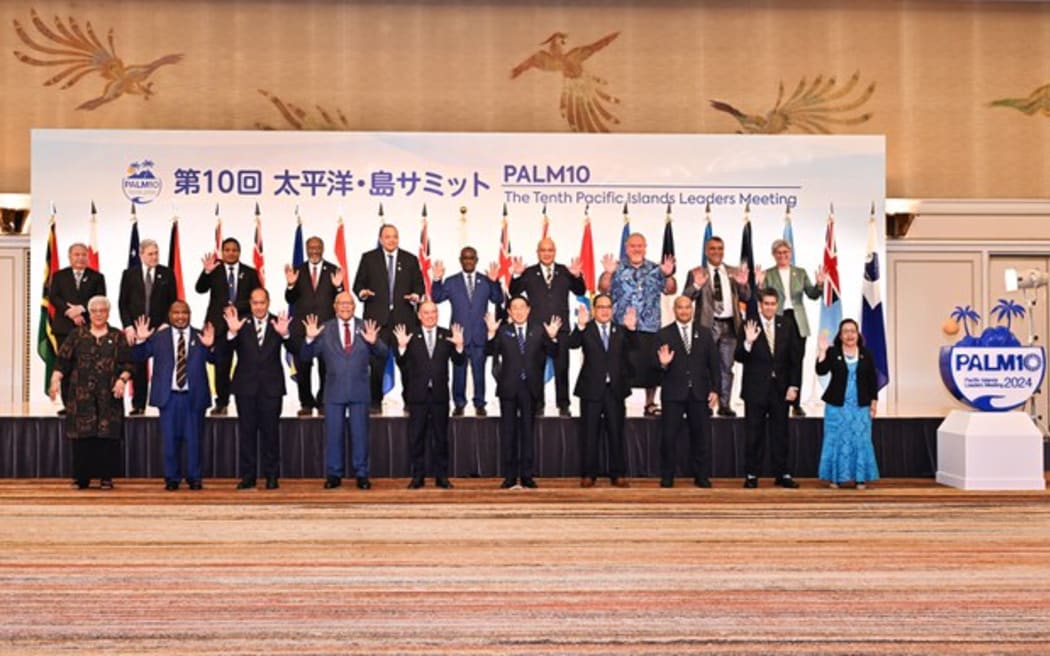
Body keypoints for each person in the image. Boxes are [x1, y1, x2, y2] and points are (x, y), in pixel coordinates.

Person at [300, 292, 387, 490]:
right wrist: (309, 339)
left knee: (360, 434)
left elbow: (383, 354)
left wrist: (374, 342)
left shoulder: (366, 326)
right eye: (341, 303)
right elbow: (305, 357)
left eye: (349, 303)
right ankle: (334, 474)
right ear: (334, 306)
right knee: (333, 434)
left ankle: (362, 474)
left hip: (359, 390)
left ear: (354, 306)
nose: (345, 307)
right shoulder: (324, 329)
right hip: (333, 391)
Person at [131, 301, 216, 491]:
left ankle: (194, 478)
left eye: (184, 312)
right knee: (169, 441)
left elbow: (216, 360)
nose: (180, 316)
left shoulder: (200, 335)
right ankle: (172, 478)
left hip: (194, 396)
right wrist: (140, 340)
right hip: (168, 397)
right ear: (169, 315)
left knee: (194, 440)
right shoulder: (158, 337)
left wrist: (210, 347)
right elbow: (137, 357)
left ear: (190, 314)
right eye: (176, 313)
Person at [48, 296, 131, 490]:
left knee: (107, 437)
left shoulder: (118, 336)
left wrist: (122, 380)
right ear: (89, 313)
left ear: (108, 313)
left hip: (108, 396)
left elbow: (128, 364)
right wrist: (55, 380)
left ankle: (106, 477)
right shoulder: (76, 335)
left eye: (102, 310)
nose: (99, 314)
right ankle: (81, 478)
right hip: (81, 396)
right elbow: (62, 361)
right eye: (95, 311)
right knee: (82, 438)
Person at [484, 296, 561, 488]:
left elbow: (553, 353)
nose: (518, 311)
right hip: (508, 388)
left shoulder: (538, 330)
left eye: (522, 307)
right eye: (514, 308)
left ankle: (527, 475)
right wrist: (491, 334)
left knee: (528, 432)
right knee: (508, 433)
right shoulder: (503, 331)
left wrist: (552, 337)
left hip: (531, 388)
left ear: (528, 310)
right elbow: (489, 352)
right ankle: (510, 476)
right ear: (509, 312)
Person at [598, 232, 676, 417]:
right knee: (621, 365)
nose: (636, 249)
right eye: (633, 246)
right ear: (626, 248)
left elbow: (671, 289)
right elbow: (603, 288)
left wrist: (668, 275)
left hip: (649, 326)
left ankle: (650, 403)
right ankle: (619, 401)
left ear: (645, 247)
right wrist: (608, 273)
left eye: (640, 246)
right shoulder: (616, 267)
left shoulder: (656, 269)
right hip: (622, 326)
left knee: (652, 366)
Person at [221, 289, 292, 490]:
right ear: (250, 304)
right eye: (255, 303)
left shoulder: (279, 322)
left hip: (271, 388)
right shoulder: (241, 323)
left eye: (262, 302)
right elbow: (222, 354)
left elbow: (297, 350)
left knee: (271, 434)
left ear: (268, 302)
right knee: (247, 433)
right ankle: (248, 476)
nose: (259, 306)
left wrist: (285, 334)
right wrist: (232, 333)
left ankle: (271, 476)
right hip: (246, 388)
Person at [509, 237, 586, 416]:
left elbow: (580, 290)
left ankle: (563, 403)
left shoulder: (564, 271)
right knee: (536, 368)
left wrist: (577, 276)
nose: (547, 253)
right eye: (543, 250)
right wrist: (516, 275)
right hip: (536, 329)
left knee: (562, 367)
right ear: (538, 252)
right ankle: (538, 403)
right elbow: (514, 292)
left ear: (555, 252)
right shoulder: (529, 272)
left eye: (550, 250)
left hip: (561, 328)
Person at [352, 224, 424, 413]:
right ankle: (375, 402)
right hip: (377, 322)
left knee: (407, 364)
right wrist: (362, 292)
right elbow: (358, 283)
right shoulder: (369, 258)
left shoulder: (410, 259)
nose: (391, 240)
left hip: (404, 320)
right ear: (381, 239)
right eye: (387, 236)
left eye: (395, 236)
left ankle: (410, 401)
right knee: (376, 365)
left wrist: (416, 295)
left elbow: (419, 285)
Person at [393, 300, 466, 489]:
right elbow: (401, 363)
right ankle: (418, 477)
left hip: (440, 396)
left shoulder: (447, 334)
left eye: (433, 312)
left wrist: (459, 347)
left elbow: (459, 362)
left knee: (441, 438)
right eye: (426, 312)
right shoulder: (411, 335)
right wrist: (401, 348)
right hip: (417, 397)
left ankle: (442, 477)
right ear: (419, 315)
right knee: (417, 437)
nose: (430, 315)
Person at [734, 288, 802, 489]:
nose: (770, 307)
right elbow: (739, 357)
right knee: (754, 433)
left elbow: (795, 360)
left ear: (777, 305)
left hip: (781, 390)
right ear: (760, 304)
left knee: (781, 433)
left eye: (773, 303)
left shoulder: (787, 324)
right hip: (755, 389)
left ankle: (783, 473)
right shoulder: (749, 324)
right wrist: (748, 342)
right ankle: (752, 474)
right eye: (766, 304)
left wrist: (794, 386)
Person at [567, 295, 637, 488]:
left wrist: (632, 330)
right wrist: (579, 326)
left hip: (615, 390)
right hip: (591, 390)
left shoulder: (620, 330)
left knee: (616, 432)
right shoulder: (586, 329)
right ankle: (589, 474)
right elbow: (571, 344)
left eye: (608, 307)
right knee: (589, 434)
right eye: (600, 307)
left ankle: (618, 474)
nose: (604, 310)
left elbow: (635, 348)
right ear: (593, 310)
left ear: (612, 310)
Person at [430, 247, 504, 416]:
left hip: (479, 336)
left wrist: (494, 282)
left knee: (479, 373)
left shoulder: (486, 280)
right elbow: (436, 298)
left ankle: (480, 403)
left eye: (472, 258)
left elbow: (498, 299)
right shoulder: (451, 281)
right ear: (460, 260)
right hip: (459, 338)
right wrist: (436, 279)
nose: (469, 261)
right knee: (458, 373)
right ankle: (459, 403)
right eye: (465, 258)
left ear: (476, 260)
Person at [682, 236, 751, 417]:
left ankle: (724, 404)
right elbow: (686, 298)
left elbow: (747, 297)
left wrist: (744, 285)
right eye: (712, 248)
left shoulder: (733, 271)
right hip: (707, 326)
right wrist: (697, 284)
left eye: (720, 248)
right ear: (706, 251)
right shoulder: (697, 272)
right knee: (704, 367)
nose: (716, 252)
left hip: (730, 325)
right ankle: (705, 403)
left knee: (726, 367)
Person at [656, 295, 720, 488]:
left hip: (699, 394)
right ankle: (667, 476)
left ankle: (701, 476)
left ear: (692, 309)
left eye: (687, 307)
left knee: (701, 437)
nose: (684, 311)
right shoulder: (663, 334)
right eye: (680, 308)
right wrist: (663, 364)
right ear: (674, 310)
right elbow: (654, 366)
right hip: (673, 394)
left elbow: (714, 365)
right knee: (668, 437)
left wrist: (715, 390)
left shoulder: (705, 333)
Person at [756, 239, 825, 417]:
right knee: (778, 361)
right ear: (774, 255)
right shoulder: (768, 274)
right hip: (777, 319)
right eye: (779, 253)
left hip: (797, 321)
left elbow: (812, 295)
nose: (782, 256)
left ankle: (795, 403)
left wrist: (819, 284)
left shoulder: (800, 273)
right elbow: (762, 297)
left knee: (796, 361)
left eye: (785, 252)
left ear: (790, 253)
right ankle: (776, 400)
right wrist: (759, 284)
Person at [194, 237, 260, 416]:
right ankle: (222, 402)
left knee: (248, 363)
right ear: (222, 252)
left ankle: (247, 400)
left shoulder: (250, 272)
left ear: (239, 252)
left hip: (243, 325)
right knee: (221, 365)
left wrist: (237, 307)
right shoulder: (214, 270)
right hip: (219, 327)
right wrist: (206, 272)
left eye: (234, 250)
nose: (231, 253)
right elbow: (199, 289)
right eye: (227, 250)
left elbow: (257, 297)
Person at [816, 319, 880, 489]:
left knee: (860, 440)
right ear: (840, 335)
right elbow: (821, 370)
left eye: (853, 331)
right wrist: (822, 352)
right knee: (836, 440)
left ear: (858, 334)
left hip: (860, 407)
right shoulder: (832, 352)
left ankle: (860, 478)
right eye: (846, 331)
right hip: (837, 407)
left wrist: (873, 404)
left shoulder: (867, 354)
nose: (849, 334)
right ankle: (835, 478)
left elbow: (872, 381)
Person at [284, 236, 345, 416]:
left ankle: (323, 401)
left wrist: (339, 287)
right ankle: (306, 403)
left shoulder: (333, 270)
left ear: (323, 248)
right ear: (306, 249)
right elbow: (290, 299)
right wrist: (290, 284)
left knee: (326, 367)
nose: (314, 251)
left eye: (318, 247)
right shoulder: (298, 270)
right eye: (311, 248)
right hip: (302, 328)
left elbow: (341, 299)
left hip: (327, 328)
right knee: (303, 366)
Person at [118, 239, 177, 415]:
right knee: (138, 366)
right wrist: (128, 326)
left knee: (164, 366)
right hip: (137, 329)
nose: (154, 257)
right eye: (150, 253)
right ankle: (139, 404)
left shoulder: (167, 274)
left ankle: (163, 403)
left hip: (161, 328)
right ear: (142, 254)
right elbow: (123, 303)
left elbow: (173, 302)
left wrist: (166, 323)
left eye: (156, 253)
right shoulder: (129, 274)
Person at [49, 242, 107, 414]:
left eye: (83, 254)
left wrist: (81, 309)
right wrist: (69, 312)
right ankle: (68, 405)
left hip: (87, 328)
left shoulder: (97, 277)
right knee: (65, 366)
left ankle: (86, 405)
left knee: (85, 367)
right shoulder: (59, 275)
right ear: (70, 256)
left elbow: (100, 297)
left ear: (88, 257)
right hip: (63, 328)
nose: (80, 257)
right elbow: (54, 297)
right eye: (77, 254)